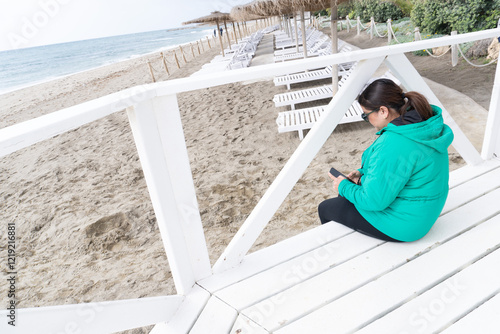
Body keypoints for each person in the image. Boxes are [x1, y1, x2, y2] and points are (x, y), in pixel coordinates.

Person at [318, 78, 454, 242]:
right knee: (347, 198)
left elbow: (374, 201)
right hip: (425, 212)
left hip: (405, 226)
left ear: (383, 111)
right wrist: (362, 174)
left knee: (326, 208)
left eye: (366, 115)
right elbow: (402, 170)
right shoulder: (423, 124)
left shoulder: (394, 143)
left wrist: (343, 185)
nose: (368, 121)